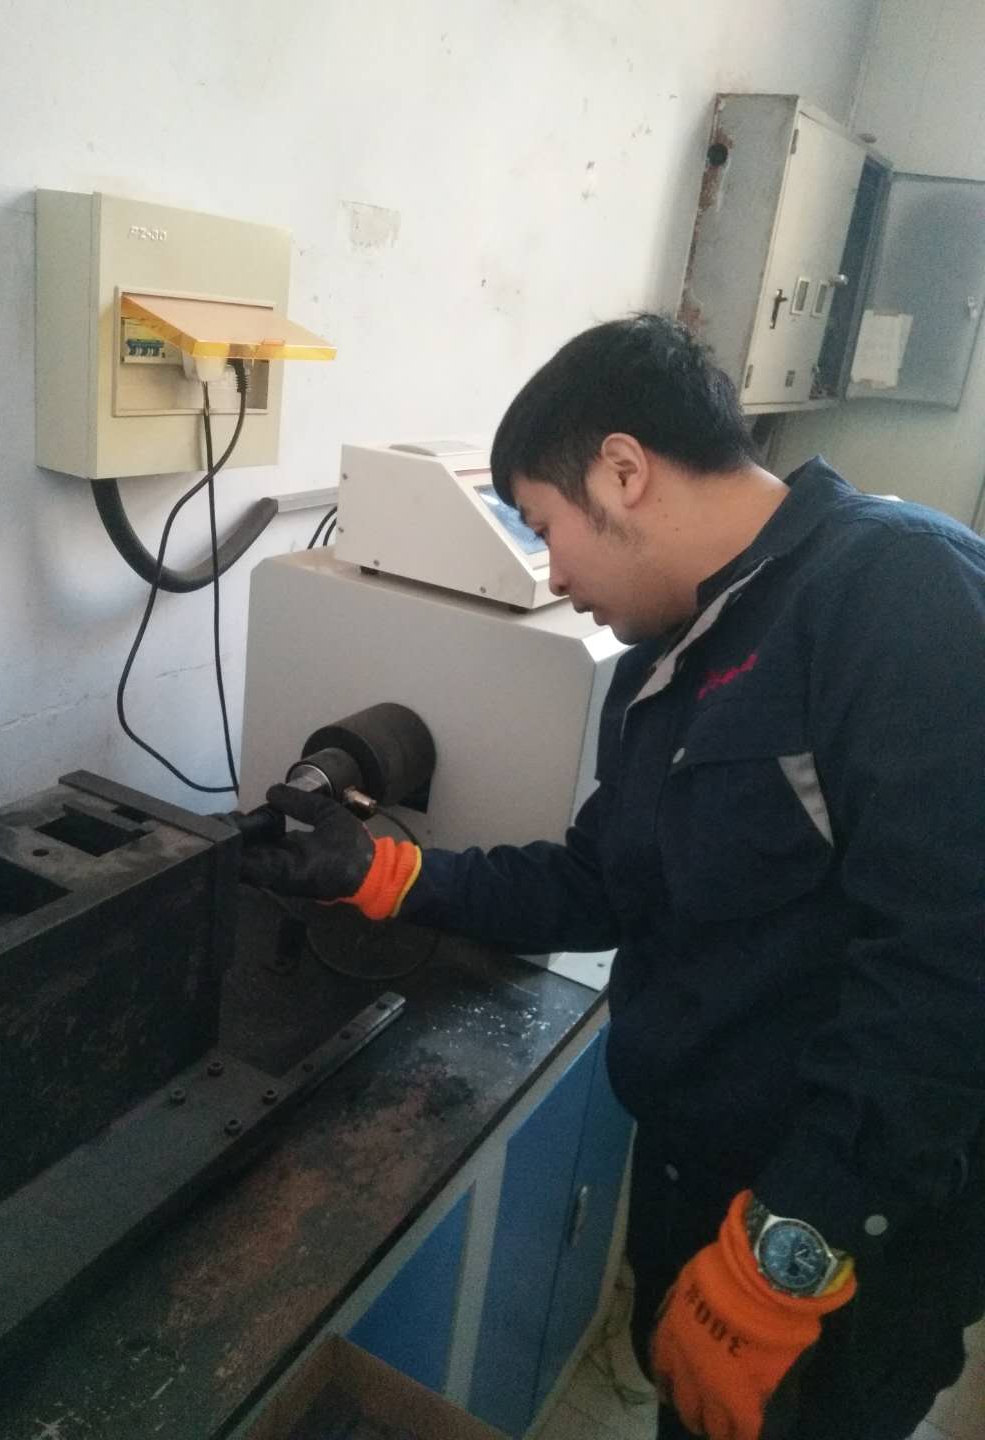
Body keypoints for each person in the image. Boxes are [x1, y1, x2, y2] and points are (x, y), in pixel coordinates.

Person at [242, 314, 985, 1440]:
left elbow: (952, 968)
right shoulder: (662, 664)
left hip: (836, 1247)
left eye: (547, 528)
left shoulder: (899, 593)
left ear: (623, 471)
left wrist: (792, 1249)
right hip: (701, 1193)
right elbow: (601, 883)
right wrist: (384, 873)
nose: (554, 572)